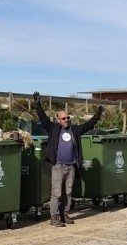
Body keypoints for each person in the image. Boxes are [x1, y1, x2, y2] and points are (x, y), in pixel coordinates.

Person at [34, 91, 103, 227]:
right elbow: (42, 118)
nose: (67, 120)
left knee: (68, 192)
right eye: (64, 118)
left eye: (68, 118)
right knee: (57, 193)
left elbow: (88, 125)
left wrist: (98, 115)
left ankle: (64, 215)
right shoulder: (53, 128)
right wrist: (37, 104)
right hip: (58, 166)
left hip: (71, 166)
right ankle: (54, 218)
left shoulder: (75, 130)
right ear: (58, 120)